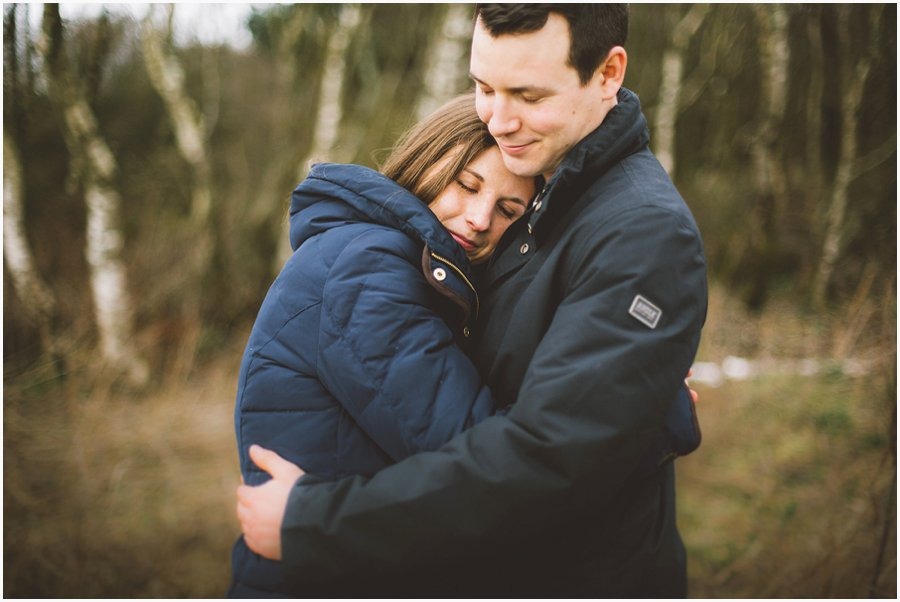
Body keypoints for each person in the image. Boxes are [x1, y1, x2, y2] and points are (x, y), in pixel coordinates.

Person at [236, 4, 707, 597]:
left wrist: (624, 403)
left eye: (528, 95)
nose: (501, 120)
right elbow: (491, 441)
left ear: (609, 73)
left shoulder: (632, 230)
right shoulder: (374, 265)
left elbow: (545, 459)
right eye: (483, 87)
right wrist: (653, 413)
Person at [227, 93, 537, 597]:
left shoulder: (405, 267)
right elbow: (477, 451)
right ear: (426, 156)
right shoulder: (368, 267)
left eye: (507, 209)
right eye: (467, 185)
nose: (480, 219)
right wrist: (635, 410)